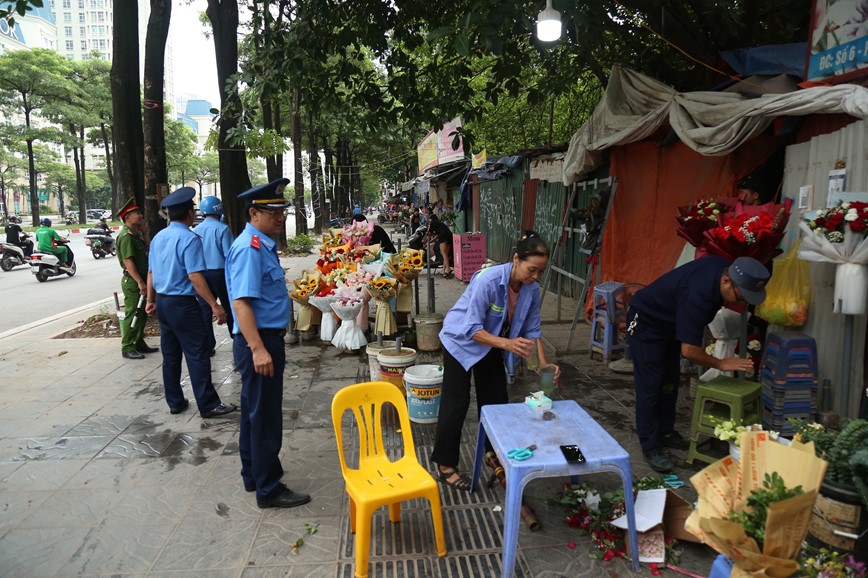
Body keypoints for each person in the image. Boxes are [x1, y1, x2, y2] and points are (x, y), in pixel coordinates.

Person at [431, 231, 557, 490]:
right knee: (457, 402)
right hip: (460, 341)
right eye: (532, 270)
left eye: (540, 272)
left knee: (496, 401)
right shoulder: (488, 280)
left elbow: (533, 330)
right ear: (516, 259)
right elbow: (471, 329)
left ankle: (492, 453)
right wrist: (507, 343)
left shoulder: (531, 290)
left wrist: (543, 364)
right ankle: (445, 464)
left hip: (491, 343)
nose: (535, 277)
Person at [626, 256, 770, 472]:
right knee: (650, 385)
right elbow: (690, 351)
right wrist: (721, 363)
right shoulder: (699, 295)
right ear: (726, 282)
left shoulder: (722, 268)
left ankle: (665, 432)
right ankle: (650, 444)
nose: (741, 302)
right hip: (645, 322)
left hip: (669, 324)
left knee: (670, 381)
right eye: (742, 296)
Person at [225, 178, 311, 509]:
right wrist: (259, 349)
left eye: (282, 211)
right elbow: (242, 303)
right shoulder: (251, 249)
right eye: (271, 211)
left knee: (252, 413)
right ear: (253, 213)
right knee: (265, 418)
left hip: (260, 340)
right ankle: (269, 488)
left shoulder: (260, 244)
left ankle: (253, 475)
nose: (279, 217)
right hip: (259, 342)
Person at [144, 187, 237, 419]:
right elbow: (195, 277)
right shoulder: (189, 238)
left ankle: (175, 401)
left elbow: (151, 273)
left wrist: (150, 300)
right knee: (197, 352)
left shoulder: (158, 237)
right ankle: (208, 404)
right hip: (183, 304)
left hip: (164, 303)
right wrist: (215, 306)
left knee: (171, 354)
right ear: (189, 213)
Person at [116, 198, 158, 359]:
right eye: (137, 214)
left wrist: (145, 233)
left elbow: (149, 249)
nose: (141, 216)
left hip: (140, 279)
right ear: (127, 217)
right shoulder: (126, 236)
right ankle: (127, 346)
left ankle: (138, 342)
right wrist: (140, 282)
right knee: (133, 313)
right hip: (133, 281)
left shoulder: (136, 234)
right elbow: (128, 261)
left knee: (141, 313)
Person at [195, 196, 235, 353]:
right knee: (229, 305)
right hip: (220, 273)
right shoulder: (223, 229)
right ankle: (236, 336)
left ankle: (208, 345)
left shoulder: (196, 230)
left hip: (202, 274)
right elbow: (229, 255)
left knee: (205, 309)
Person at [427, 214, 453, 278]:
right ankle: (443, 270)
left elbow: (429, 233)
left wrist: (426, 239)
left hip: (444, 237)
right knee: (445, 254)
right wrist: (431, 241)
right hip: (449, 236)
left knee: (443, 253)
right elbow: (437, 235)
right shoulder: (439, 224)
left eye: (430, 220)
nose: (429, 221)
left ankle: (448, 269)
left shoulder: (433, 223)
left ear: (431, 219)